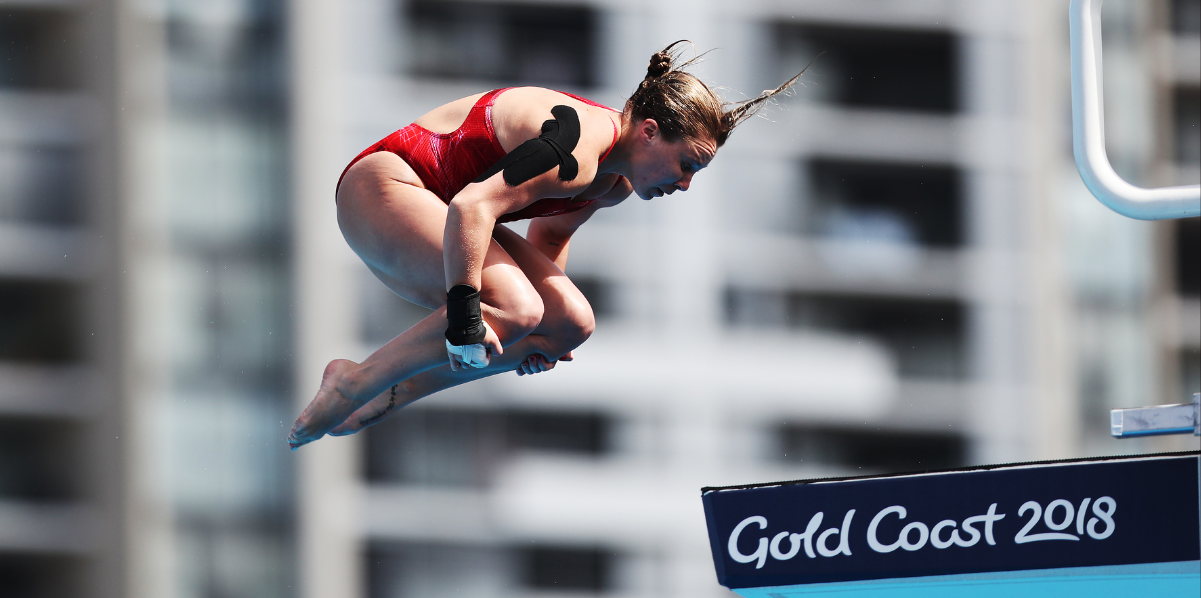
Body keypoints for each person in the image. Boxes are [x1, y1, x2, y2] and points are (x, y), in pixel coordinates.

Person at [287, 41, 805, 449]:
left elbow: (550, 235)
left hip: (443, 211)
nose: (685, 184)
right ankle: (354, 381)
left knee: (570, 323)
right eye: (687, 164)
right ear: (649, 132)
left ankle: (389, 392)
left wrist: (539, 337)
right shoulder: (575, 148)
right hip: (383, 192)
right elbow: (472, 207)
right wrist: (476, 318)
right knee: (516, 307)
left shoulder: (611, 182)